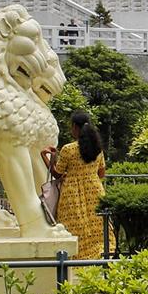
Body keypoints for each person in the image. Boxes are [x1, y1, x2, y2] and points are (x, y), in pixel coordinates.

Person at [43, 111, 108, 259]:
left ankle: (74, 258)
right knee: (97, 225)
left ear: (75, 127)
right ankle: (99, 257)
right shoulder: (97, 149)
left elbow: (57, 173)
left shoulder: (68, 149)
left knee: (73, 225)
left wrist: (44, 156)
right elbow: (101, 173)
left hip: (72, 194)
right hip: (95, 190)